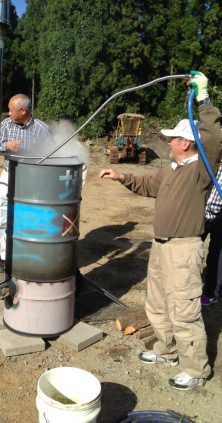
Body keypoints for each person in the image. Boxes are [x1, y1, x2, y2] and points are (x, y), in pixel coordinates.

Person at [99, 71, 221, 391]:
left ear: (186, 143)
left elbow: (213, 137)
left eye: (172, 138)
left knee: (184, 310)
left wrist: (204, 98)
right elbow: (146, 184)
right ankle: (166, 351)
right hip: (161, 246)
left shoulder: (200, 171)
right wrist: (121, 177)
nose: (167, 142)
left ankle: (195, 370)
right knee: (158, 304)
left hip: (183, 249)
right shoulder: (170, 170)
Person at [0, 94, 51, 269]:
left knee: (30, 216)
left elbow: (51, 154)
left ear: (23, 110)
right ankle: (6, 257)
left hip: (32, 178)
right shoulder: (5, 125)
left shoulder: (42, 129)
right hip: (8, 174)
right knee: (4, 214)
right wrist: (6, 146)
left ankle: (30, 254)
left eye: (11, 110)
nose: (9, 113)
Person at [201, 160, 222, 305]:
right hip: (202, 213)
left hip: (220, 217)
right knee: (191, 250)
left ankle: (211, 292)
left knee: (216, 256)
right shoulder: (214, 159)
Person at [56, 114, 88, 189]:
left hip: (71, 187)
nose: (65, 129)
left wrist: (80, 186)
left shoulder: (78, 147)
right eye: (63, 126)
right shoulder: (51, 142)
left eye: (68, 126)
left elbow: (83, 168)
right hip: (53, 185)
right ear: (58, 127)